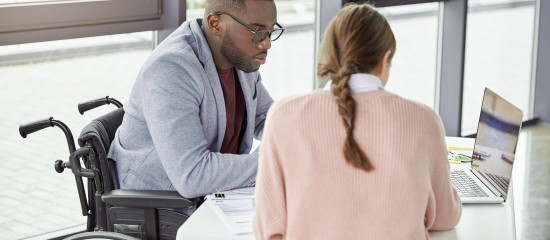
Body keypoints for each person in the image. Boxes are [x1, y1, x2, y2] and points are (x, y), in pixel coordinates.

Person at [253, 3, 461, 239]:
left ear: (330, 55)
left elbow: (267, 227)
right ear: (385, 59)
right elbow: (445, 217)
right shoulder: (424, 120)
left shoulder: (283, 116)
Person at [109, 0, 284, 214]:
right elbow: (192, 175)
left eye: (270, 31)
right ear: (215, 23)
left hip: (219, 194)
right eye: (256, 30)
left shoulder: (240, 57)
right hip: (165, 206)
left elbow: (265, 118)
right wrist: (277, 161)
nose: (266, 44)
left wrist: (302, 135)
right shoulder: (172, 67)